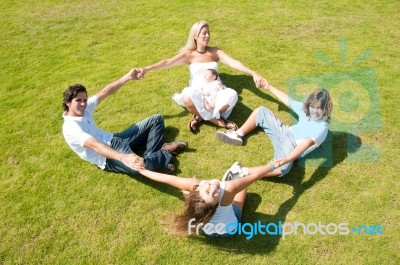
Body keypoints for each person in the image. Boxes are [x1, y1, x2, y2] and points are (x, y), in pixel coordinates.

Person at [138, 20, 264, 132]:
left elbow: (233, 62)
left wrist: (253, 73)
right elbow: (167, 62)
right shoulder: (189, 54)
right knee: (187, 98)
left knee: (233, 95)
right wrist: (147, 68)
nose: (208, 36)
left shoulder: (215, 52)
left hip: (216, 93)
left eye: (208, 32)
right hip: (198, 93)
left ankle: (199, 116)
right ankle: (217, 121)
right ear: (195, 36)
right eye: (204, 33)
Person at [62, 68, 188, 176]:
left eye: (84, 99)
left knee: (156, 119)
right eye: (78, 100)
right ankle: (164, 153)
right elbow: (95, 145)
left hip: (116, 138)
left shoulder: (83, 108)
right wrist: (124, 157)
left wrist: (128, 77)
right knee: (139, 166)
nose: (83, 104)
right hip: (107, 157)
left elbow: (105, 92)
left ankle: (153, 157)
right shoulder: (71, 128)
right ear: (68, 103)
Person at [216, 79, 333, 177]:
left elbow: (304, 145)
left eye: (319, 108)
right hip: (285, 131)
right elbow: (288, 100)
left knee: (281, 169)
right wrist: (269, 87)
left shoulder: (321, 128)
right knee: (261, 111)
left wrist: (287, 160)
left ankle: (242, 171)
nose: (314, 111)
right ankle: (238, 134)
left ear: (326, 109)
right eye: (313, 106)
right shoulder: (306, 110)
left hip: (292, 147)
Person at [138, 160, 281, 237]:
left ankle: (191, 194)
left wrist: (142, 170)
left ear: (197, 190)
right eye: (214, 195)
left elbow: (166, 178)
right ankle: (236, 171)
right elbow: (254, 177)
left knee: (184, 186)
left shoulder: (194, 188)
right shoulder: (227, 189)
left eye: (207, 189)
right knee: (242, 185)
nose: (214, 187)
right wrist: (271, 165)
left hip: (208, 232)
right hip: (229, 229)